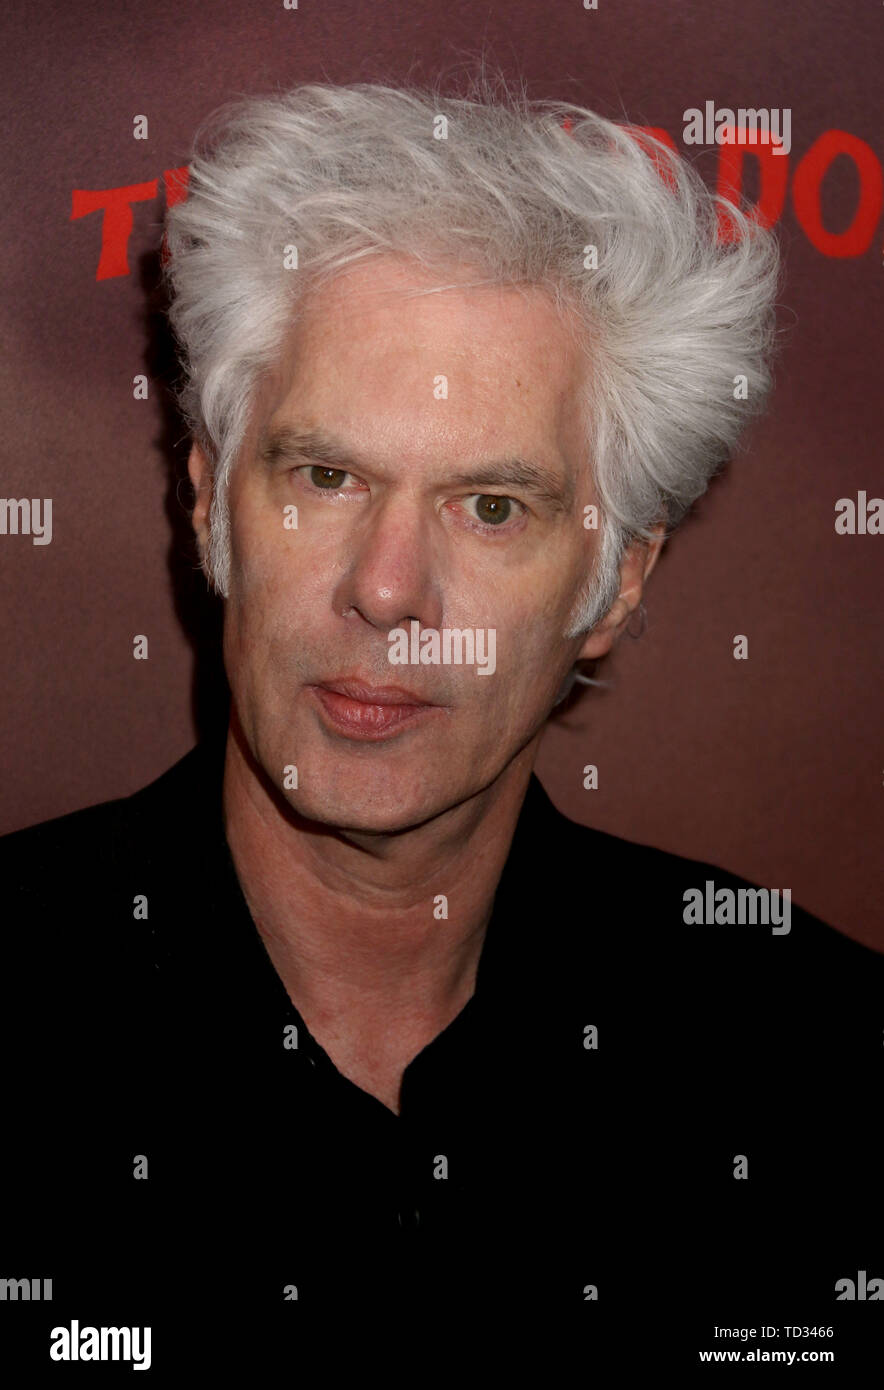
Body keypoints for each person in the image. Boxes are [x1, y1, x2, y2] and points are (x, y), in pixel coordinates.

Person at [1, 78, 880, 1363]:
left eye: (490, 506)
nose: (386, 589)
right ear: (207, 506)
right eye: (324, 475)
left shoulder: (824, 1068)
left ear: (612, 582)